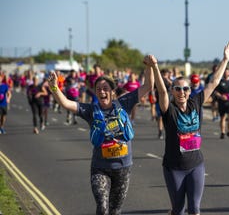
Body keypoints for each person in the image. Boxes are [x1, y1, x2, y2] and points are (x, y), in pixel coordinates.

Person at [47, 56, 154, 214]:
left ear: (112, 91)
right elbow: (66, 103)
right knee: (103, 208)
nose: (102, 92)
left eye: (105, 88)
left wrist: (150, 66)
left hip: (123, 168)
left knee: (114, 211)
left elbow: (148, 85)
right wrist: (54, 87)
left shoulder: (124, 103)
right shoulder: (91, 110)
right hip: (100, 169)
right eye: (98, 89)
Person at [149, 41, 229, 215]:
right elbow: (162, 91)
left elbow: (214, 82)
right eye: (178, 89)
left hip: (196, 165)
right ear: (173, 91)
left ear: (189, 90)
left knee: (194, 209)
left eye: (185, 89)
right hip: (174, 167)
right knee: (178, 210)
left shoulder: (195, 103)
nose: (182, 92)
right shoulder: (169, 110)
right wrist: (155, 67)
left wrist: (225, 60)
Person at [213, 67, 229, 139]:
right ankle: (222, 132)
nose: (226, 73)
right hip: (222, 101)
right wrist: (221, 96)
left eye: (227, 72)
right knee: (223, 117)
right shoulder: (220, 81)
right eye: (224, 72)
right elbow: (215, 91)